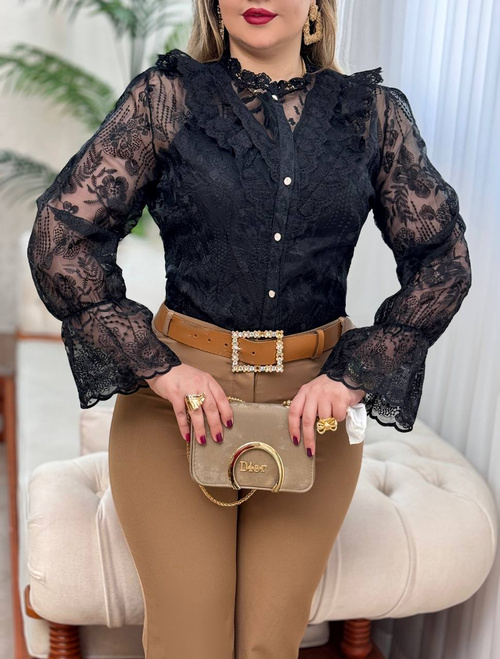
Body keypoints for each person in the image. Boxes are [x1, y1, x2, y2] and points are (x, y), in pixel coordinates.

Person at [26, 0, 472, 657]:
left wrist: (355, 375)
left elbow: (443, 262)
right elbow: (60, 241)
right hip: (178, 407)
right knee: (189, 642)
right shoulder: (167, 100)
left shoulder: (373, 116)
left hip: (313, 415)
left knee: (270, 642)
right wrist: (161, 371)